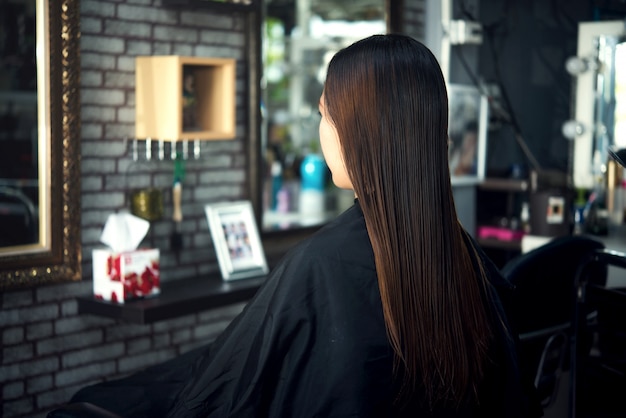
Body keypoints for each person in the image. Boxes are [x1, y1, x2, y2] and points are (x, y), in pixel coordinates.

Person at [162, 34, 542, 417]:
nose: (321, 131)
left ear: (360, 133)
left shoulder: (321, 265)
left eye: (324, 115)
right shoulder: (467, 258)